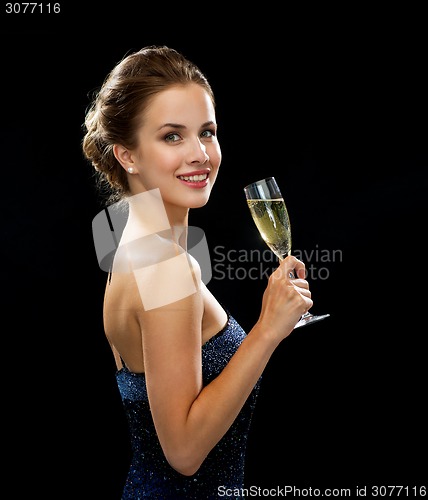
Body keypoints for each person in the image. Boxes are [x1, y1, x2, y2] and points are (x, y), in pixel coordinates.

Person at [82, 45, 313, 499]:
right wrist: (267, 330)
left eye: (207, 132)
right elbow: (184, 453)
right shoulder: (165, 265)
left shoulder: (128, 241)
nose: (199, 154)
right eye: (172, 136)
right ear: (127, 154)